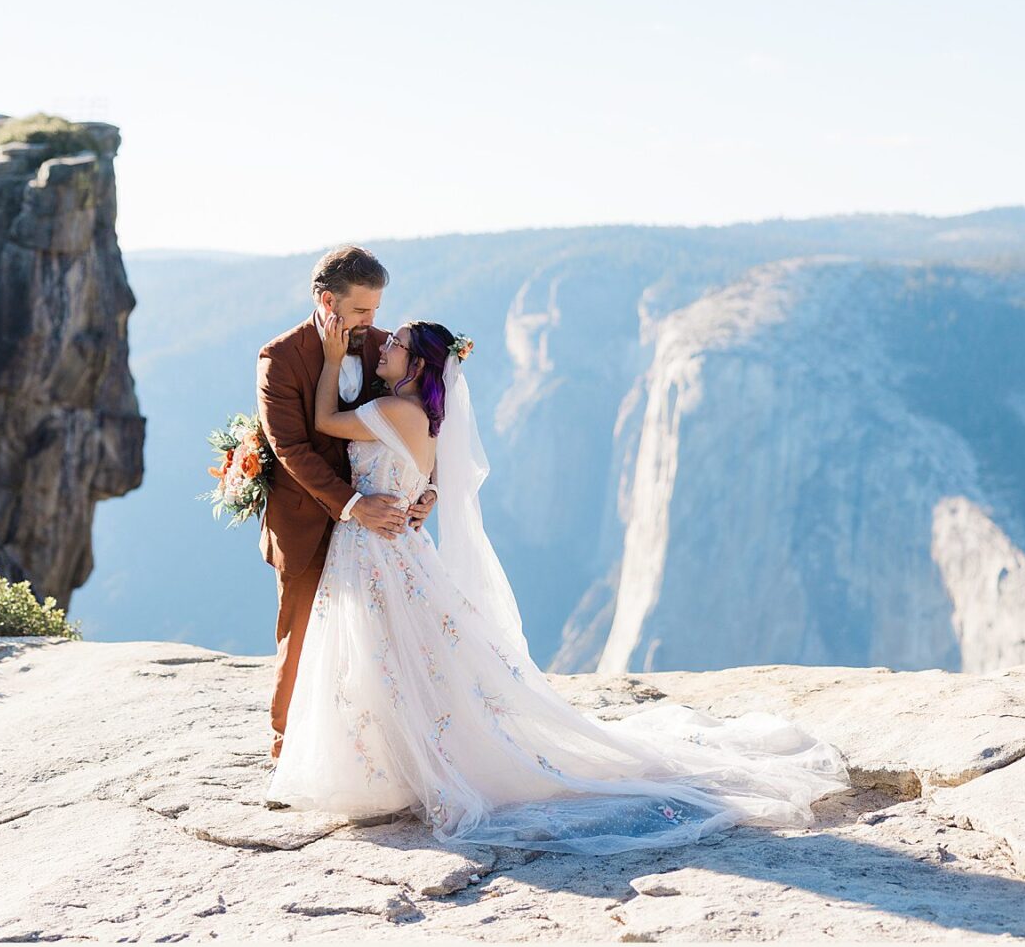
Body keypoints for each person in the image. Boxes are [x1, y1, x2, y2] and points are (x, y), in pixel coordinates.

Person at [264, 315, 852, 855]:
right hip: (400, 548)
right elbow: (426, 471)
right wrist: (426, 495)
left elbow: (319, 423)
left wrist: (335, 352)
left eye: (395, 346)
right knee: (411, 658)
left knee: (383, 655)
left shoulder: (393, 411)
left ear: (418, 365)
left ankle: (389, 766)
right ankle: (403, 761)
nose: (384, 345)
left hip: (376, 549)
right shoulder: (423, 417)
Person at [255, 246, 438, 762]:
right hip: (311, 519)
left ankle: (378, 753)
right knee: (304, 634)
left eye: (377, 310)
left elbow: (427, 419)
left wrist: (429, 488)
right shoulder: (282, 357)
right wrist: (354, 504)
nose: (372, 322)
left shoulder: (386, 348)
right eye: (361, 310)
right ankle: (288, 751)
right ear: (326, 299)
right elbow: (290, 448)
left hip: (383, 529)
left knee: (379, 642)